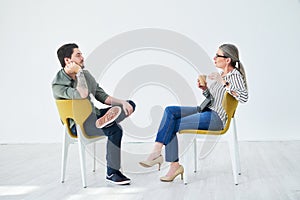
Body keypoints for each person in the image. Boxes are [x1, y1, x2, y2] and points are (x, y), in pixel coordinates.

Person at [139, 43, 248, 182]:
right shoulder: (222, 74)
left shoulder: (234, 76)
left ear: (227, 60)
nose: (214, 58)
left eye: (217, 55)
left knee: (173, 124)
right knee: (170, 111)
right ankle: (161, 155)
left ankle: (167, 162)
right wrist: (204, 89)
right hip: (207, 110)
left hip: (217, 119)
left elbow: (244, 97)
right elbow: (213, 99)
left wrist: (223, 83)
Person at [52, 43, 136, 185]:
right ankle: (112, 173)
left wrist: (122, 102)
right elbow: (83, 94)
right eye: (78, 55)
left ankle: (106, 120)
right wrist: (78, 72)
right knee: (115, 130)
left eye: (81, 54)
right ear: (68, 60)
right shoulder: (58, 84)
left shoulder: (86, 74)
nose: (82, 58)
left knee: (130, 104)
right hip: (79, 125)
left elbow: (102, 96)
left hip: (95, 116)